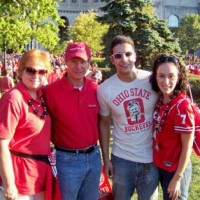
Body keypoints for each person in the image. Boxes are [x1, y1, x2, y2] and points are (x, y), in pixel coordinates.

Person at [97, 35, 159, 200]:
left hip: (151, 159)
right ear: (112, 59)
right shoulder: (105, 89)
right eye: (118, 56)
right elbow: (103, 123)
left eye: (128, 54)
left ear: (135, 55)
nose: (124, 59)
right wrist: (106, 158)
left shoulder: (152, 80)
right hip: (122, 160)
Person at [43, 42, 101, 200]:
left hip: (94, 157)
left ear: (89, 62)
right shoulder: (50, 91)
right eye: (73, 61)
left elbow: (104, 122)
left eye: (83, 62)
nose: (78, 66)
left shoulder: (96, 90)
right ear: (65, 61)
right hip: (66, 160)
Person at [0, 49, 52, 200]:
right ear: (21, 71)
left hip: (39, 175)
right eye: (31, 70)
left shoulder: (41, 95)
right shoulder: (13, 98)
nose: (36, 76)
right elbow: (2, 144)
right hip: (19, 179)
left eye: (42, 72)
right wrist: (10, 184)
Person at [149, 54, 194, 200]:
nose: (166, 81)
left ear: (179, 76)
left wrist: (177, 178)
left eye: (171, 76)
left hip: (175, 170)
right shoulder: (161, 99)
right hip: (161, 166)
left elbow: (187, 146)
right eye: (161, 76)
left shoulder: (182, 105)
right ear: (155, 76)